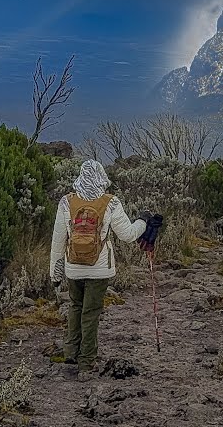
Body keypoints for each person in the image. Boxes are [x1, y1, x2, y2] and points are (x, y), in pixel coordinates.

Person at [50, 159, 162, 378]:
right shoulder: (110, 202)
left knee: (75, 306)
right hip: (100, 270)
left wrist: (55, 273)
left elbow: (58, 240)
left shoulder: (66, 202)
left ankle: (71, 352)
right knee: (90, 313)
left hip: (73, 268)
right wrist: (143, 219)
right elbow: (128, 235)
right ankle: (87, 363)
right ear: (101, 176)